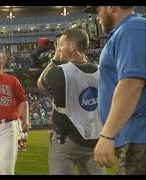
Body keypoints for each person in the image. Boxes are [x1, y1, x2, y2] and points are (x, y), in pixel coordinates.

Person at [83, 6, 146, 175]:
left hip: (138, 136)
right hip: (134, 136)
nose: (97, 17)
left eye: (97, 11)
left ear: (110, 7)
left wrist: (107, 135)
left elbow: (131, 84)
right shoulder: (128, 30)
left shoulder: (131, 29)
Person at [37, 28, 105, 175]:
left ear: (72, 46)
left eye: (61, 44)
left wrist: (55, 59)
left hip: (65, 142)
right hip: (94, 141)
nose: (59, 49)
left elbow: (40, 84)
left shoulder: (59, 71)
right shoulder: (101, 71)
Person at [0, 49, 30, 175]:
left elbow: (23, 101)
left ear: (4, 61)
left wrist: (26, 119)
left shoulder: (11, 80)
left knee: (6, 166)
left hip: (7, 125)